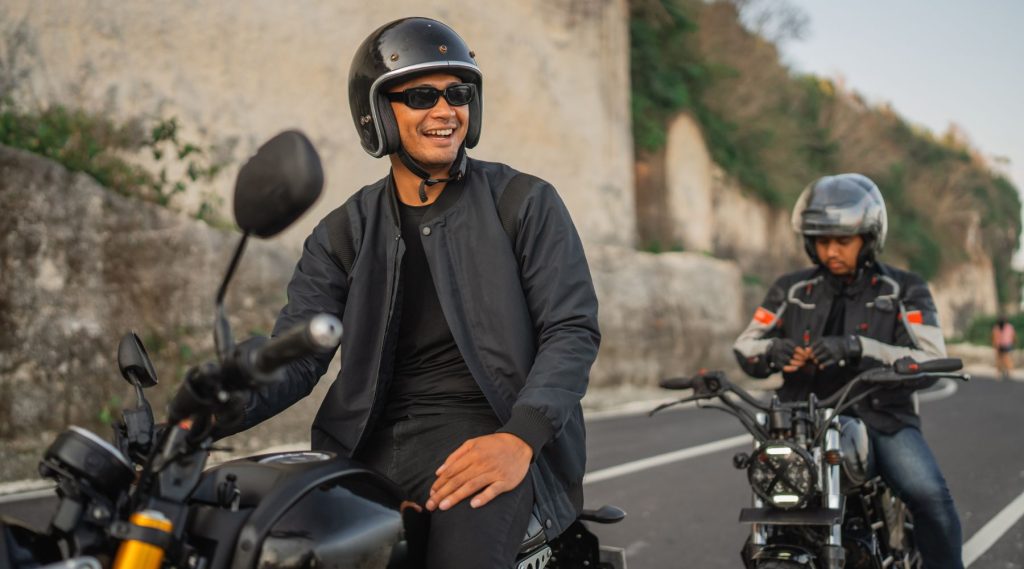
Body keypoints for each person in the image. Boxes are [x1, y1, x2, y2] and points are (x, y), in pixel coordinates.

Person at [217, 17, 600, 569]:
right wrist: (207, 414)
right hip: (365, 447)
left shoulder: (523, 203)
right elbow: (298, 360)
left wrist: (520, 437)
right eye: (421, 96)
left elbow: (571, 329)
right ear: (377, 114)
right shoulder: (344, 232)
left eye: (457, 93)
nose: (446, 111)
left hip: (487, 435)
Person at [733, 173, 964, 568]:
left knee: (929, 497)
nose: (831, 251)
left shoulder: (903, 289)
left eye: (843, 241)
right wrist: (775, 351)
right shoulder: (790, 289)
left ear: (868, 238)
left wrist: (859, 348)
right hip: (802, 424)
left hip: (881, 418)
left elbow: (929, 356)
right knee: (772, 502)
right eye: (823, 241)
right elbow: (746, 345)